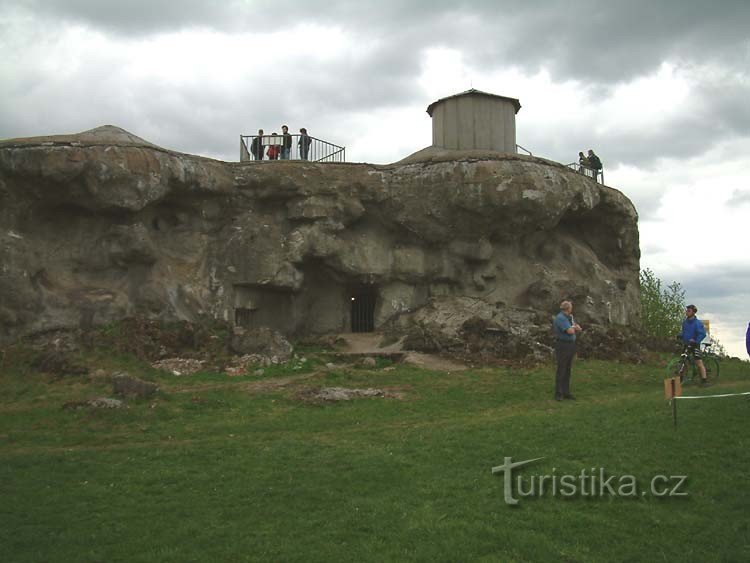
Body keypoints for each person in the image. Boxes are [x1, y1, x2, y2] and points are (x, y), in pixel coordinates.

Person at [553, 300, 582, 401]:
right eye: (571, 307)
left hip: (570, 345)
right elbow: (570, 331)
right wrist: (574, 327)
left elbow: (578, 328)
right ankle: (558, 393)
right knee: (562, 369)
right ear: (568, 308)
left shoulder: (569, 318)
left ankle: (566, 392)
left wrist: (574, 327)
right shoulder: (561, 318)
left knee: (568, 369)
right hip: (563, 345)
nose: (571, 309)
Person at [680, 304, 708, 385]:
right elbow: (684, 333)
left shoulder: (697, 323)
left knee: (699, 363)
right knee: (683, 361)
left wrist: (695, 340)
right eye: (686, 310)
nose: (686, 312)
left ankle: (704, 380)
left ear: (693, 312)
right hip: (686, 344)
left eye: (689, 311)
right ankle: (680, 379)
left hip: (694, 344)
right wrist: (680, 335)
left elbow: (702, 334)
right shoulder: (685, 323)